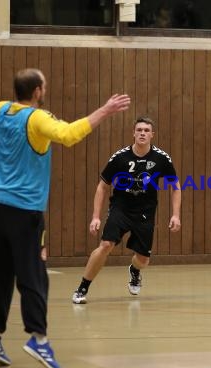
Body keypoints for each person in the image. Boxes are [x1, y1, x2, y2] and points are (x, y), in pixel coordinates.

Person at [0, 68, 131, 368]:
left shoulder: (0, 110)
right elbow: (69, 135)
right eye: (44, 86)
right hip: (25, 209)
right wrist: (106, 109)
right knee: (33, 274)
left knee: (1, 270)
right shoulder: (37, 119)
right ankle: (38, 338)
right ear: (37, 92)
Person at [72, 116, 181, 304]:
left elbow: (175, 186)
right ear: (133, 133)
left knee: (143, 260)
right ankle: (82, 287)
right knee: (106, 244)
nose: (142, 133)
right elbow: (102, 186)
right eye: (139, 130)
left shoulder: (161, 158)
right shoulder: (120, 157)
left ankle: (135, 270)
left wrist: (176, 215)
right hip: (120, 208)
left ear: (152, 135)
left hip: (145, 211)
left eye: (146, 130)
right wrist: (95, 217)